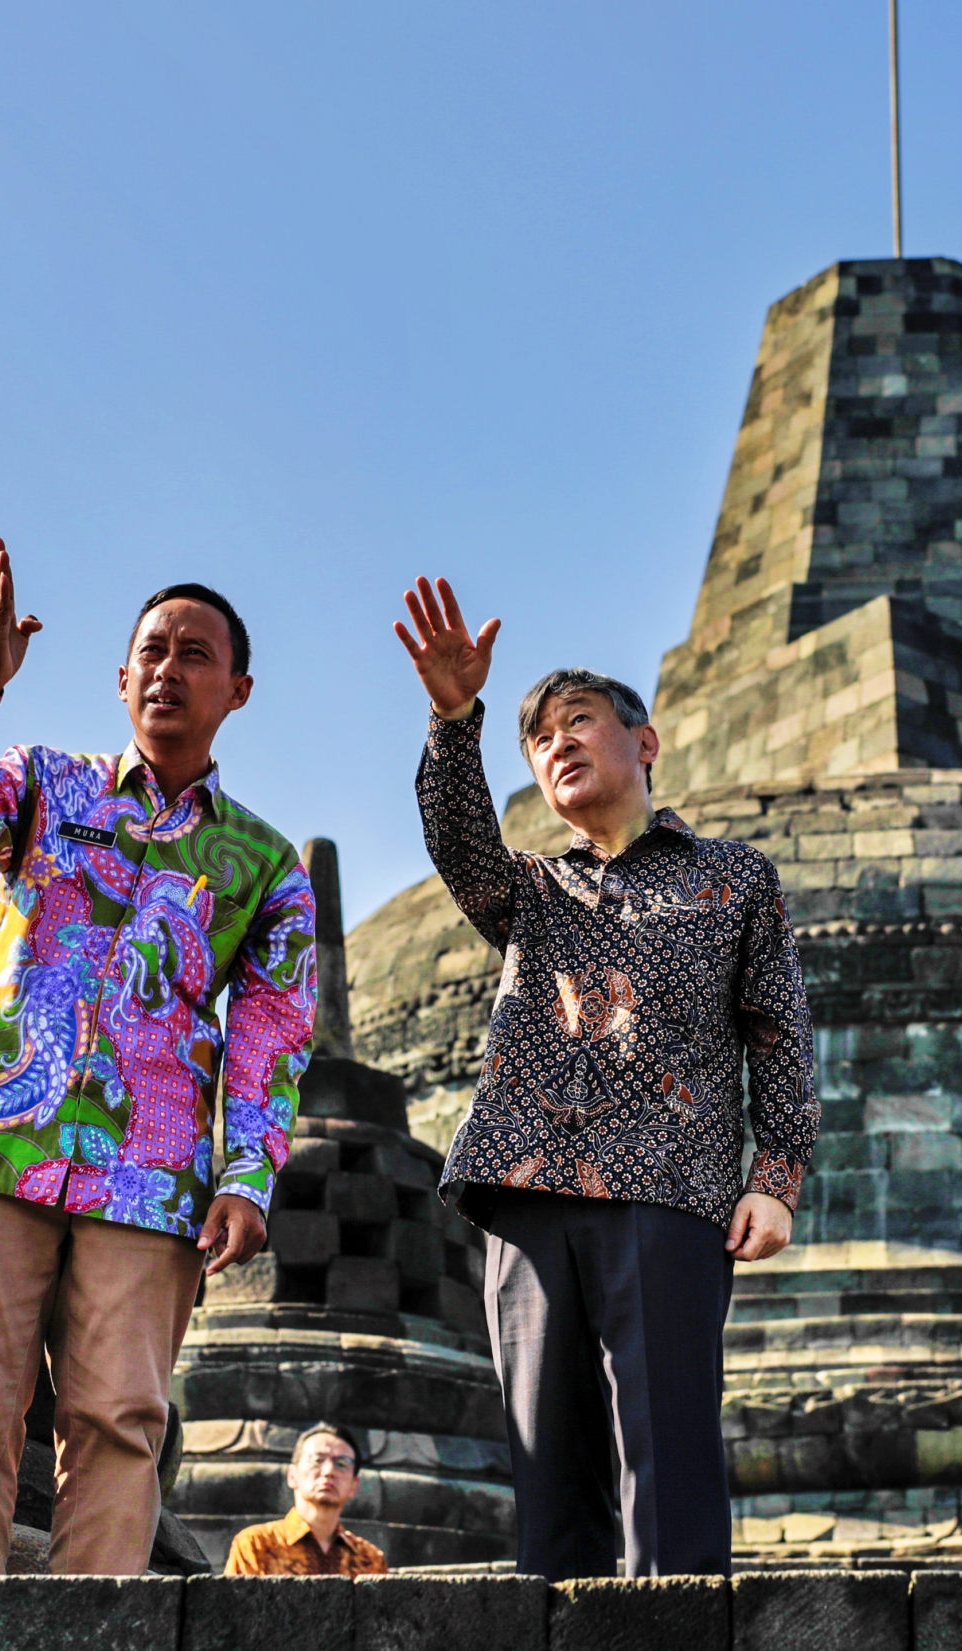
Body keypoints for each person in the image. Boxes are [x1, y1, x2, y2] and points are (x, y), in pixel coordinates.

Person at [0, 539, 315, 1580]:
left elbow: (271, 1029)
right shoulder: (45, 784)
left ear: (238, 689)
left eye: (194, 654)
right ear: (122, 677)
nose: (168, 669)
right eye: (151, 651)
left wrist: (247, 1176)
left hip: (152, 1165)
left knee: (121, 1419)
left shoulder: (265, 864)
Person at [391, 575, 820, 1580]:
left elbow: (779, 1028)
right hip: (531, 1190)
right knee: (549, 1478)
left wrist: (778, 1177)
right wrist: (455, 718)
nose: (558, 745)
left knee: (665, 1464)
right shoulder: (533, 889)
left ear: (646, 743)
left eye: (579, 722)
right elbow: (457, 846)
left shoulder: (732, 877)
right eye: (540, 739)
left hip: (670, 1190)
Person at [221, 1425, 392, 1576]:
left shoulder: (370, 1560)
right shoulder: (256, 1546)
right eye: (317, 1460)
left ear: (354, 1485)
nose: (328, 1471)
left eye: (342, 1464)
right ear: (292, 1475)